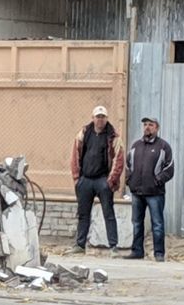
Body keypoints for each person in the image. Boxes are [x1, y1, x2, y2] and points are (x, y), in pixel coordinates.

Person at [68, 105, 124, 256]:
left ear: (106, 119)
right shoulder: (84, 133)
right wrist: (77, 179)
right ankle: (80, 245)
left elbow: (119, 160)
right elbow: (75, 155)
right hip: (85, 180)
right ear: (92, 118)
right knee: (83, 214)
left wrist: (110, 181)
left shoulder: (113, 136)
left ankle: (113, 246)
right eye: (98, 117)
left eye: (103, 117)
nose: (100, 120)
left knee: (108, 213)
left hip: (102, 180)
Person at [123, 116, 174, 262]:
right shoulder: (135, 146)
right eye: (145, 124)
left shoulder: (164, 147)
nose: (147, 127)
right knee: (137, 223)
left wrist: (157, 181)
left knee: (157, 224)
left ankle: (159, 253)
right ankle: (137, 251)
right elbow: (128, 166)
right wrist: (129, 180)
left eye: (150, 125)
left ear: (157, 128)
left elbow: (169, 169)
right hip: (137, 192)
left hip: (155, 193)